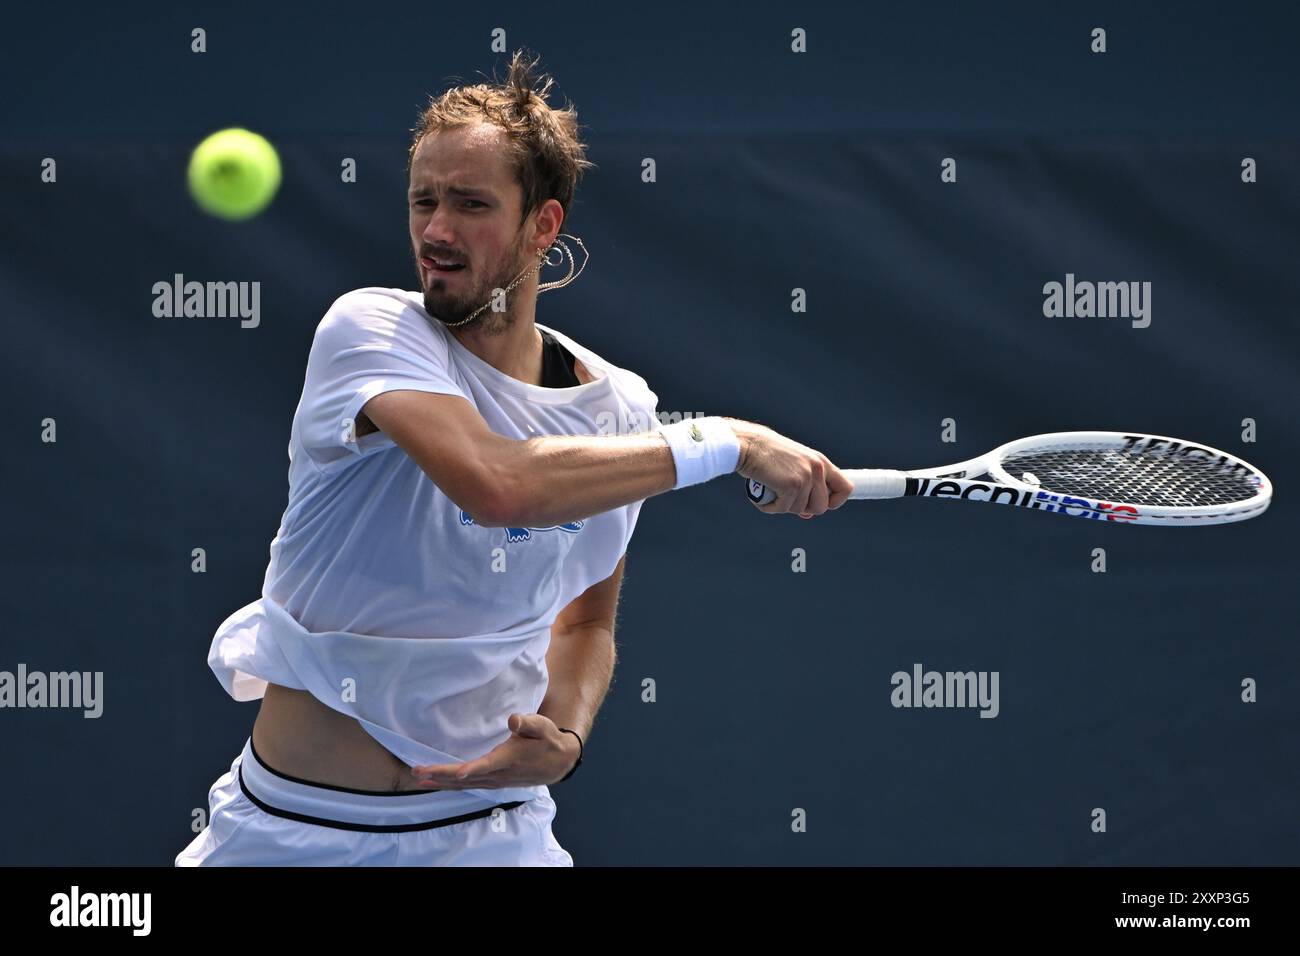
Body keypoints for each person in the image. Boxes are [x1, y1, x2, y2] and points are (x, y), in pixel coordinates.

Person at [176, 49, 852, 867]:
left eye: (470, 203)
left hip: (493, 838)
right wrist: (732, 442)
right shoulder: (368, 329)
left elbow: (587, 618)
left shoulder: (619, 410)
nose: (435, 230)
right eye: (423, 200)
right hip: (290, 834)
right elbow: (498, 484)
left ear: (544, 224)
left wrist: (565, 732)